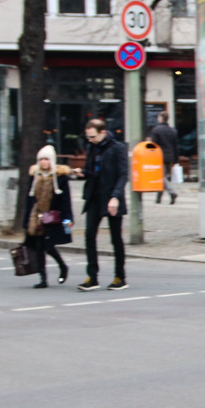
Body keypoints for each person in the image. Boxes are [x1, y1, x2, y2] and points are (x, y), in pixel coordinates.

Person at [77, 119, 128, 291]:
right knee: (89, 235)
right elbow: (92, 170)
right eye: (88, 137)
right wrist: (82, 173)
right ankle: (92, 276)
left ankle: (119, 276)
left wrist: (115, 197)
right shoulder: (92, 147)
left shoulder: (117, 148)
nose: (89, 140)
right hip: (94, 196)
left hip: (111, 197)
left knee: (116, 238)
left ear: (103, 133)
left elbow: (123, 175)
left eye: (92, 137)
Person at [23, 144, 74, 289]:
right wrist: (27, 220)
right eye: (41, 159)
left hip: (52, 216)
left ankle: (63, 267)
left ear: (51, 160)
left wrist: (68, 218)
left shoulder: (60, 178)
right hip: (36, 216)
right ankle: (43, 278)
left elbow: (66, 200)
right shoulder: (34, 176)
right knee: (40, 247)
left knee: (47, 246)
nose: (43, 162)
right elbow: (29, 198)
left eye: (46, 159)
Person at [151, 111, 179, 204]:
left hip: (160, 156)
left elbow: (154, 145)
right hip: (170, 156)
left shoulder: (156, 130)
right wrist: (176, 159)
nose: (158, 119)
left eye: (158, 117)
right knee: (163, 176)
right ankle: (158, 198)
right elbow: (175, 145)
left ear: (161, 118)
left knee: (161, 176)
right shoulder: (172, 130)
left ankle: (172, 192)